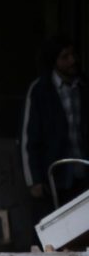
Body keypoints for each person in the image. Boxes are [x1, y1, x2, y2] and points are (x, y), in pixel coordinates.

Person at [21, 34, 89, 222]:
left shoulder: (83, 88)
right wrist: (33, 180)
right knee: (52, 231)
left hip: (82, 175)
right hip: (53, 177)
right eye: (65, 57)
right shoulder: (40, 90)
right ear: (54, 61)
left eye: (73, 55)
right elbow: (29, 138)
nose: (72, 61)